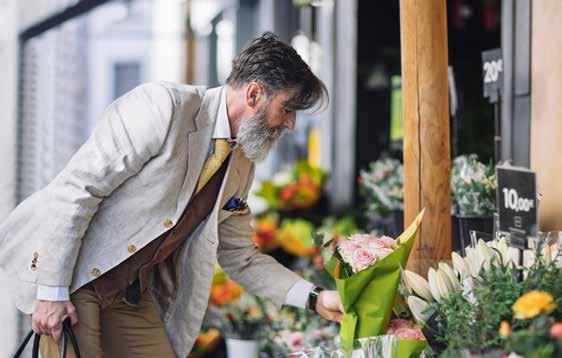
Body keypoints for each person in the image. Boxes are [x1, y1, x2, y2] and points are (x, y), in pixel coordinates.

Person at [0, 32, 344, 357]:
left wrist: (315, 298)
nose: (290, 125)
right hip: (75, 277)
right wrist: (51, 292)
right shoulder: (163, 107)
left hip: (131, 293)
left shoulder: (241, 164)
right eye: (287, 109)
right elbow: (77, 190)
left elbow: (241, 256)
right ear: (254, 95)